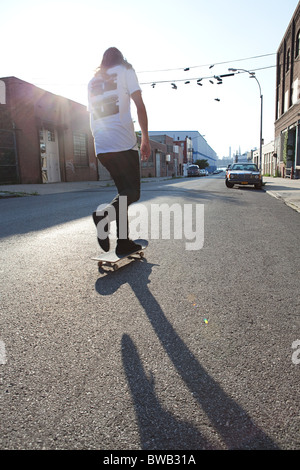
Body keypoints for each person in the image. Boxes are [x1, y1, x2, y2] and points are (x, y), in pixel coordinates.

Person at [88, 47, 151, 255]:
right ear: (120, 59)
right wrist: (145, 140)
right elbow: (140, 106)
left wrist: (98, 143)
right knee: (132, 193)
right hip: (122, 143)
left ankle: (123, 242)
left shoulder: (92, 82)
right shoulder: (126, 71)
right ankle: (103, 217)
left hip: (102, 145)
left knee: (123, 193)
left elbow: (93, 116)